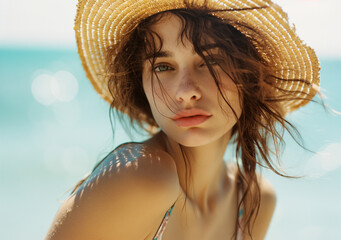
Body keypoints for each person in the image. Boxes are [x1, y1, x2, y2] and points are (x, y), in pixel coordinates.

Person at [46, 0, 320, 239]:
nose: (186, 90)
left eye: (211, 61)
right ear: (140, 82)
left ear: (249, 77)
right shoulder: (142, 176)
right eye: (163, 67)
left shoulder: (251, 201)